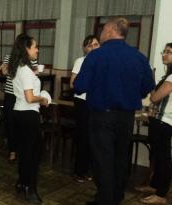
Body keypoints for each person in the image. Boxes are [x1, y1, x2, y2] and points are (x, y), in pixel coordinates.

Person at [73, 17, 155, 205]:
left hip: (102, 116)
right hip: (126, 117)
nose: (100, 34)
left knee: (102, 160)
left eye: (102, 30)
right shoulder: (138, 57)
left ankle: (104, 200)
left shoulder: (96, 56)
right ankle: (117, 197)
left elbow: (79, 86)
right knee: (120, 158)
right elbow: (148, 85)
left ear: (110, 30)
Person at [9, 34, 48, 203]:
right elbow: (30, 98)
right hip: (28, 114)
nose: (37, 50)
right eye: (35, 47)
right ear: (26, 49)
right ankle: (30, 189)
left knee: (26, 152)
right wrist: (44, 98)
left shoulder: (19, 67)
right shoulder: (25, 70)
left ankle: (22, 183)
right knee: (33, 154)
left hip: (20, 113)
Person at [136, 43, 172, 205]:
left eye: (169, 52)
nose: (164, 54)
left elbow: (155, 98)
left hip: (165, 122)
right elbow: (155, 98)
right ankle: (155, 186)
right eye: (164, 51)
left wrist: (151, 83)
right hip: (159, 121)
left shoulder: (171, 77)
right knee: (157, 156)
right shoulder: (167, 75)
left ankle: (161, 194)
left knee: (163, 158)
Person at [69, 35, 100, 183]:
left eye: (96, 45)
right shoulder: (80, 61)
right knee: (84, 136)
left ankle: (88, 169)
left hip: (97, 103)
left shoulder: (103, 61)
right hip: (82, 102)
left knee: (94, 138)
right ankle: (79, 171)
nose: (93, 48)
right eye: (90, 45)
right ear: (85, 48)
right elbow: (72, 84)